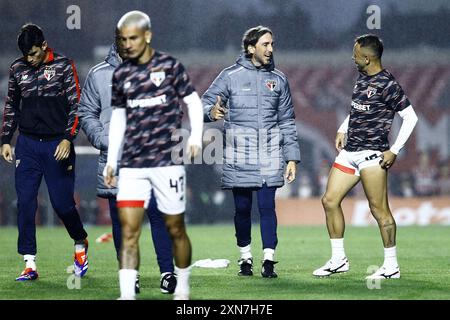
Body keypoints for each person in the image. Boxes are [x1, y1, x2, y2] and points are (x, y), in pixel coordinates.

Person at [103, 11, 203, 300]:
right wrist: (112, 160)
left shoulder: (170, 66)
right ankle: (127, 295)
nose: (128, 44)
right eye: (123, 39)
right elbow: (119, 120)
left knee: (175, 229)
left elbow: (193, 103)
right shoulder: (121, 74)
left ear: (147, 36)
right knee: (129, 231)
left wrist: (195, 137)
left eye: (133, 38)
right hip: (133, 165)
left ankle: (182, 288)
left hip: (167, 163)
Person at [313, 34, 418, 279]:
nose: (353, 57)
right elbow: (358, 110)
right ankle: (338, 260)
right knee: (329, 200)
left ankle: (391, 266)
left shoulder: (388, 84)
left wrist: (394, 150)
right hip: (349, 153)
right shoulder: (362, 78)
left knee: (379, 210)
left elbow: (411, 118)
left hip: (372, 155)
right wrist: (343, 127)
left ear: (368, 58)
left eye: (356, 54)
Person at [77, 37, 176, 293]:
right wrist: (102, 139)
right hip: (116, 159)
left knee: (158, 213)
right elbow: (86, 112)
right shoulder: (98, 74)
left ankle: (167, 273)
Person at [202, 26, 301, 278]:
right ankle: (245, 258)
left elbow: (287, 121)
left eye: (272, 44)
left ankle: (269, 260)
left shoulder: (278, 80)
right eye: (265, 44)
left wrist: (291, 157)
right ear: (250, 48)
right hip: (239, 154)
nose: (270, 49)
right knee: (243, 210)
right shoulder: (230, 76)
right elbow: (204, 102)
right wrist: (211, 113)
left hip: (269, 153)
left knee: (267, 207)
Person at [0, 24, 88, 281]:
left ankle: (80, 242)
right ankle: (29, 264)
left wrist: (68, 138)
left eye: (35, 54)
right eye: (27, 55)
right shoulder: (17, 68)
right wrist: (6, 139)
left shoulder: (63, 66)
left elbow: (77, 105)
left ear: (45, 45)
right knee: (25, 203)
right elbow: (12, 106)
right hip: (27, 145)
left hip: (56, 145)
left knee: (62, 204)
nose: (30, 59)